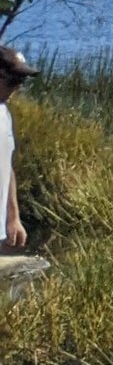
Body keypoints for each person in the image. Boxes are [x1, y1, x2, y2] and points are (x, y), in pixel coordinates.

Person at [0, 43, 33, 251]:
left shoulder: (3, 113)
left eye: (21, 81)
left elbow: (6, 164)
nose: (17, 87)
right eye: (13, 80)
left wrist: (13, 217)